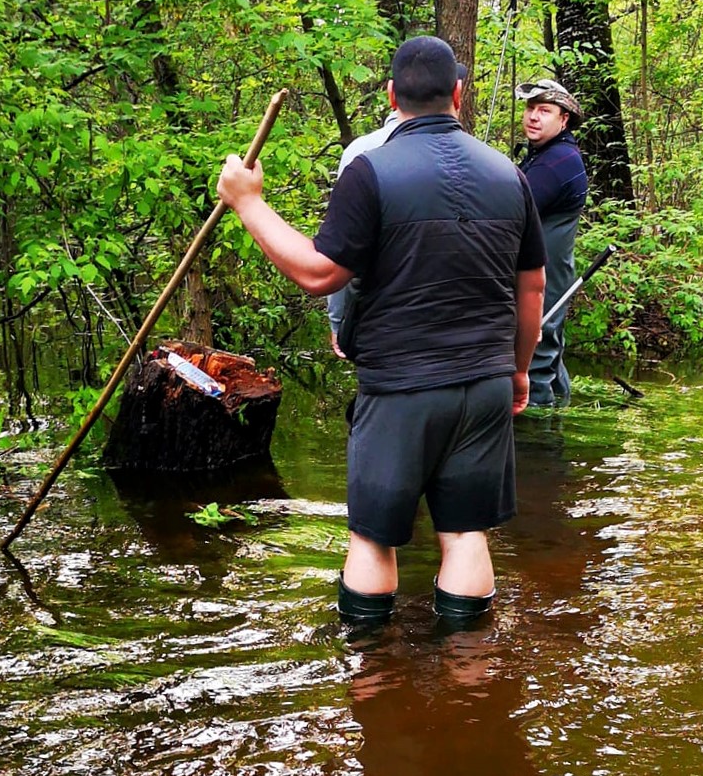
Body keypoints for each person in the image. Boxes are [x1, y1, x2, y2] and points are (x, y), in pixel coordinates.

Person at [217, 36, 547, 624]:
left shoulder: (370, 171)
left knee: (372, 538)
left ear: (393, 96)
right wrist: (519, 368)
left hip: (401, 388)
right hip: (487, 381)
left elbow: (321, 274)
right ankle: (470, 690)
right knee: (466, 532)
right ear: (459, 96)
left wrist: (249, 204)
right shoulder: (509, 174)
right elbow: (532, 290)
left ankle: (373, 682)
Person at [513, 78, 588, 407]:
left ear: (564, 119)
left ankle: (537, 442)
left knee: (537, 358)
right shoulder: (543, 155)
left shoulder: (558, 163)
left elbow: (510, 212)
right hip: (544, 274)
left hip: (546, 279)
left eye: (544, 110)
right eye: (530, 109)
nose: (533, 116)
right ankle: (558, 421)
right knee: (548, 354)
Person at [326, 110, 400, 358]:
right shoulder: (477, 160)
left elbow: (340, 250)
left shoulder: (359, 152)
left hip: (374, 317)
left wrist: (337, 320)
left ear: (393, 95)